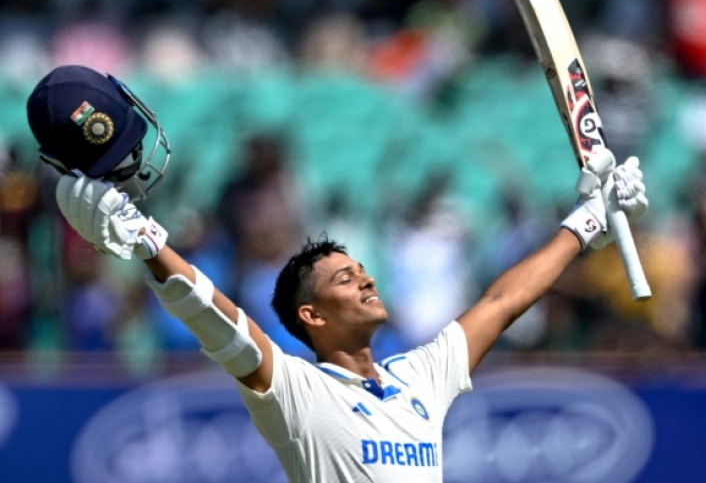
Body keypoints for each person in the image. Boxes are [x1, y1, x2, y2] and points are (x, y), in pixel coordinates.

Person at [26, 64, 649, 482]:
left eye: (360, 270)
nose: (367, 280)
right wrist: (148, 245)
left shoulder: (419, 379)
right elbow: (225, 328)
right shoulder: (297, 395)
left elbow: (502, 300)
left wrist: (588, 218)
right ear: (311, 315)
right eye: (344, 279)